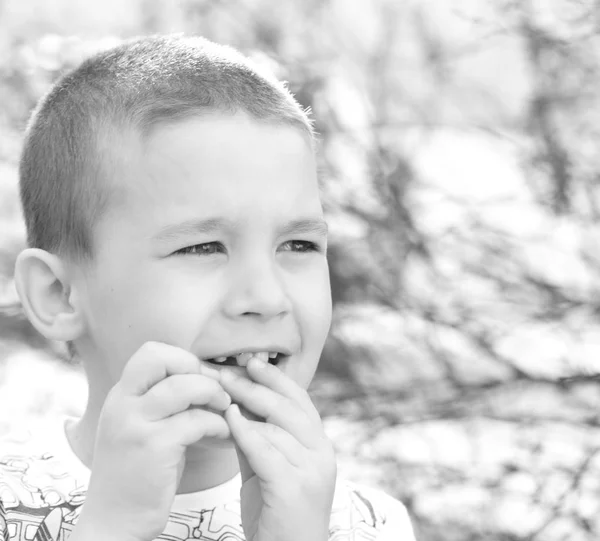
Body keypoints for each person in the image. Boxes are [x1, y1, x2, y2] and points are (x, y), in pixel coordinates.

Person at [2, 35, 416, 541]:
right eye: (203, 248)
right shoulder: (11, 501)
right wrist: (113, 528)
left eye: (300, 245)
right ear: (58, 295)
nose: (265, 298)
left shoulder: (367, 525)